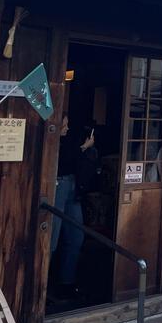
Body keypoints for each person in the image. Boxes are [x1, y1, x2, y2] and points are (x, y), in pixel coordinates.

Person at [50, 116, 97, 299]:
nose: (67, 128)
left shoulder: (68, 140)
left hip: (72, 185)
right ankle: (41, 287)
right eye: (64, 125)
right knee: (51, 238)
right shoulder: (50, 142)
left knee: (76, 235)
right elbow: (61, 163)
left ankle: (66, 282)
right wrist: (84, 148)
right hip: (58, 185)